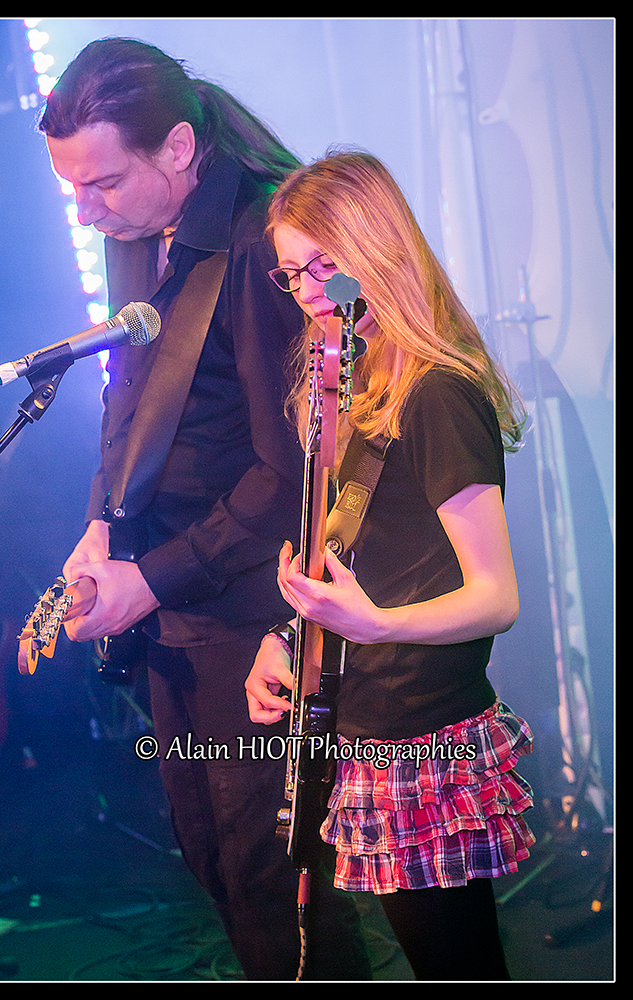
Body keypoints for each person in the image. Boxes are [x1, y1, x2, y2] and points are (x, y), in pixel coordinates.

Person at [38, 38, 371, 981]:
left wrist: (151, 579)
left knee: (277, 885)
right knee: (212, 861)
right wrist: (101, 525)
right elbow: (127, 395)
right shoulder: (136, 232)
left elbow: (296, 468)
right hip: (171, 605)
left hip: (255, 614)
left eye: (102, 183)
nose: (86, 209)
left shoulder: (267, 242)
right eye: (73, 187)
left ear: (179, 147)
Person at [245, 151, 536, 981]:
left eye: (323, 265)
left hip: (423, 734)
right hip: (366, 716)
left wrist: (373, 624)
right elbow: (362, 556)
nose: (307, 290)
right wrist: (288, 635)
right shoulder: (355, 384)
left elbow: (496, 597)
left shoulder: (436, 393)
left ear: (377, 249)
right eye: (291, 273)